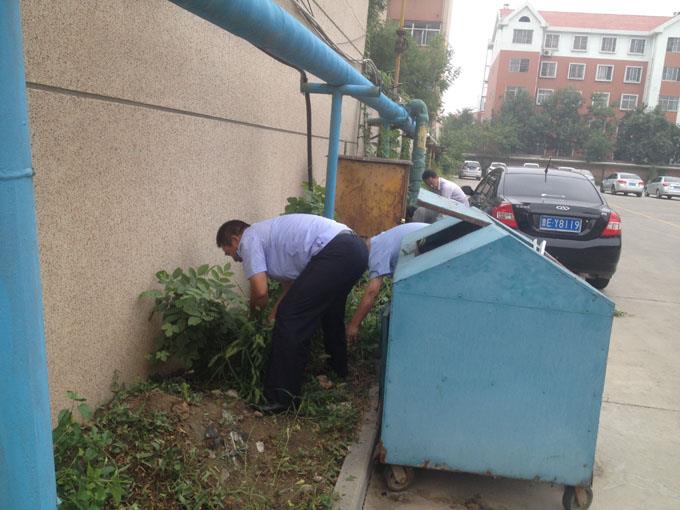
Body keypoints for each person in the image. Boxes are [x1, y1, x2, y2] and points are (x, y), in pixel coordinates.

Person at [216, 213, 368, 413]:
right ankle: (338, 370)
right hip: (355, 250)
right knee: (330, 311)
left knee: (291, 320)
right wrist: (273, 316)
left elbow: (260, 292)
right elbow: (292, 289)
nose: (234, 259)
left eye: (229, 252)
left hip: (336, 252)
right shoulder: (270, 238)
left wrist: (253, 319)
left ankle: (282, 398)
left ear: (235, 240)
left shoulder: (249, 238)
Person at [346, 222, 429, 343]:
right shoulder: (381, 240)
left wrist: (354, 325)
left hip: (433, 241)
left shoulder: (376, 252)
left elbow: (372, 292)